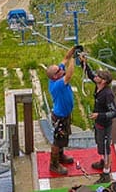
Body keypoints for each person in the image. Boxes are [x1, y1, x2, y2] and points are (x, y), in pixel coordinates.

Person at [81, 54, 116, 184]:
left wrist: (99, 115)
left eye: (99, 76)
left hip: (105, 125)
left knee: (107, 149)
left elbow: (114, 112)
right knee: (100, 144)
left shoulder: (107, 94)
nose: (95, 77)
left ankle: (106, 174)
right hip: (99, 124)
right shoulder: (99, 86)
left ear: (103, 81)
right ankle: (103, 162)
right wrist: (84, 63)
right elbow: (90, 74)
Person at [46, 46, 77, 175]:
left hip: (65, 114)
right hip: (60, 116)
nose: (61, 70)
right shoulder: (57, 84)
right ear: (54, 76)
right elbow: (69, 75)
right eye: (59, 71)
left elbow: (65, 58)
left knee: (63, 137)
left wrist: (73, 49)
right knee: (57, 140)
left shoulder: (57, 76)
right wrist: (74, 60)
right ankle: (53, 164)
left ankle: (60, 156)